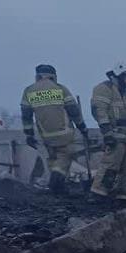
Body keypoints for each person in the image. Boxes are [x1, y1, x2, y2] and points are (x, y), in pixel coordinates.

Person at [20, 64, 86, 194]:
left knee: (52, 159)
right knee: (64, 157)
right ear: (53, 76)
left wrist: (29, 134)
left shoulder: (29, 91)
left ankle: (57, 188)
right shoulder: (60, 89)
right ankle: (55, 181)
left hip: (45, 135)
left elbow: (26, 116)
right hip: (65, 133)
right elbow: (73, 110)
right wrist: (82, 127)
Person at [89, 62, 126, 200]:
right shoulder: (104, 88)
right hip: (115, 135)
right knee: (111, 165)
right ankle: (98, 193)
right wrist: (107, 132)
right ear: (119, 73)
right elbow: (99, 110)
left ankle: (125, 195)